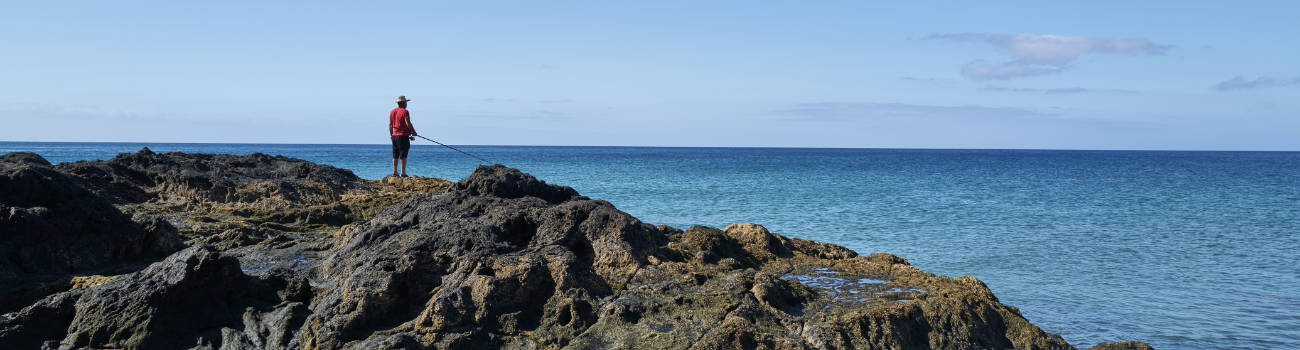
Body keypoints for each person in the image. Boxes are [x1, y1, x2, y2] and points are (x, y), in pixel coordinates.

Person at [389, 95, 417, 177]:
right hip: (403, 136)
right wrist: (414, 132)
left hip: (394, 136)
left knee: (395, 155)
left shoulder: (392, 111)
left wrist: (391, 135)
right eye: (406, 102)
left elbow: (390, 124)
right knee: (403, 155)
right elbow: (408, 123)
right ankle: (403, 173)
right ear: (404, 103)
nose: (406, 104)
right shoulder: (405, 111)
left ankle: (395, 172)